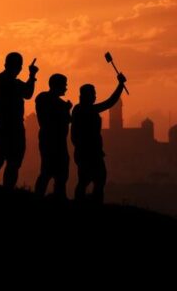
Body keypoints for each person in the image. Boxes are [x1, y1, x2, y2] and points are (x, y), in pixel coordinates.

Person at [0, 53, 38, 188]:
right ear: (8, 65)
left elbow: (27, 93)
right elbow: (28, 93)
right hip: (7, 125)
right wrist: (31, 76)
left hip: (10, 125)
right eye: (18, 65)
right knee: (3, 160)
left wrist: (31, 76)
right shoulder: (3, 81)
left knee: (9, 161)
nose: (19, 69)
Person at [71, 73, 127, 204]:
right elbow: (109, 103)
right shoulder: (83, 109)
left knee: (91, 180)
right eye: (93, 94)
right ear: (87, 96)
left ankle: (86, 202)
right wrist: (120, 86)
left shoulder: (80, 109)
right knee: (93, 179)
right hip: (88, 152)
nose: (95, 96)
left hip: (89, 152)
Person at [34, 74, 72, 199]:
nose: (66, 87)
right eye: (64, 84)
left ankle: (55, 196)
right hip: (52, 142)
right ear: (57, 85)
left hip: (54, 141)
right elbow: (62, 120)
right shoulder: (48, 100)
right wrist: (66, 110)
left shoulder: (42, 98)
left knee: (56, 174)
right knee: (49, 172)